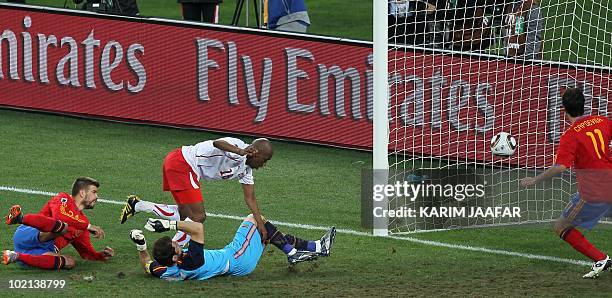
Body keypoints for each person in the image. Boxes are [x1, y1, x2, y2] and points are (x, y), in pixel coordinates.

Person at [520, 88, 612, 278]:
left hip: (594, 192)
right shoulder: (602, 121)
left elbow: (561, 167)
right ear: (584, 105)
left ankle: (601, 259)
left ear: (563, 110)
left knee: (561, 226)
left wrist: (535, 179)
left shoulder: (570, 136)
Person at [120, 137, 273, 246]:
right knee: (198, 216)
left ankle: (137, 205)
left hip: (178, 163)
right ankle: (173, 251)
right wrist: (240, 151)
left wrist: (259, 223)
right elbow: (217, 142)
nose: (264, 165)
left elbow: (250, 198)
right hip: (183, 164)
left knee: (184, 217)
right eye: (264, 160)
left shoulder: (246, 170)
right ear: (256, 153)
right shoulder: (238, 146)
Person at [129, 214, 335, 280]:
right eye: (176, 245)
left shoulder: (165, 270)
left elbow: (147, 265)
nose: (178, 243)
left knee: (266, 234)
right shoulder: (191, 260)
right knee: (255, 219)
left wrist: (141, 246)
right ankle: (292, 253)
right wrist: (168, 224)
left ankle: (317, 247)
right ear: (175, 257)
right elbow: (198, 228)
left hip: (236, 261)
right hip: (236, 257)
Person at [2, 177, 114, 270]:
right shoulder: (63, 199)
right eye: (94, 192)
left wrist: (99, 256)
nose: (97, 197)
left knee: (70, 262)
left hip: (39, 251)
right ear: (82, 192)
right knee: (63, 226)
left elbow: (85, 252)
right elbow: (60, 216)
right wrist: (88, 226)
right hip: (28, 235)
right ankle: (19, 218)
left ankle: (15, 256)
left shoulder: (82, 223)